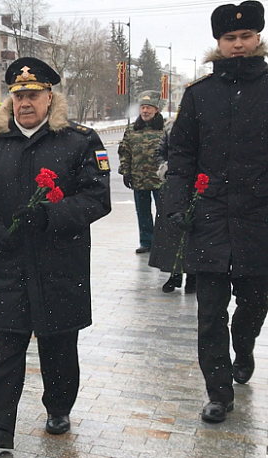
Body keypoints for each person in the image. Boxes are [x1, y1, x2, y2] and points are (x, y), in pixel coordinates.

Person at [0, 57, 111, 450]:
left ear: (50, 98)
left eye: (33, 95)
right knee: (8, 345)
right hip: (8, 261)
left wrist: (52, 216)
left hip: (60, 261)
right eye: (18, 96)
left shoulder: (79, 141)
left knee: (58, 342)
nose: (25, 103)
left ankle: (58, 406)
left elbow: (97, 198)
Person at [166, 0, 268, 424]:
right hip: (208, 220)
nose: (238, 44)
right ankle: (218, 392)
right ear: (219, 43)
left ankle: (243, 347)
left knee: (253, 304)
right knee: (209, 313)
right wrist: (176, 208)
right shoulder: (198, 95)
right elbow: (182, 156)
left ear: (258, 37)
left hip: (260, 219)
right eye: (230, 38)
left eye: (245, 36)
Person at [149, 118, 196, 293]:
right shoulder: (171, 129)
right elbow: (159, 153)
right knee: (171, 233)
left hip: (196, 188)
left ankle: (193, 275)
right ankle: (174, 273)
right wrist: (166, 168)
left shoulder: (205, 127)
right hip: (173, 186)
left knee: (192, 231)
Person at [118, 90, 164, 254]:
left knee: (163, 212)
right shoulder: (132, 129)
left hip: (161, 180)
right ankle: (146, 242)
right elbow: (125, 152)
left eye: (148, 108)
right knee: (143, 212)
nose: (145, 111)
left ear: (156, 109)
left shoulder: (165, 129)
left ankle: (162, 241)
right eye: (142, 107)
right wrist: (125, 171)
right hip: (139, 179)